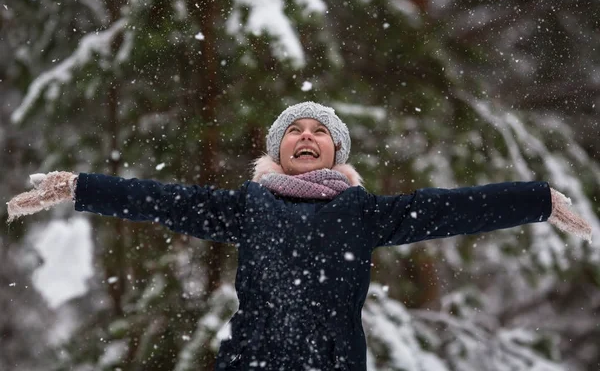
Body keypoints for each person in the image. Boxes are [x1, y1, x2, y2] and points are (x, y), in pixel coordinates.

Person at [6, 101, 592, 370]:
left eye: (320, 132)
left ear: (338, 151)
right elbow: (162, 201)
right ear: (278, 151)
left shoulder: (363, 213)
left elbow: (450, 208)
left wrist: (537, 199)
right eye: (294, 132)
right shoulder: (246, 206)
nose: (306, 137)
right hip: (253, 362)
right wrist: (79, 187)